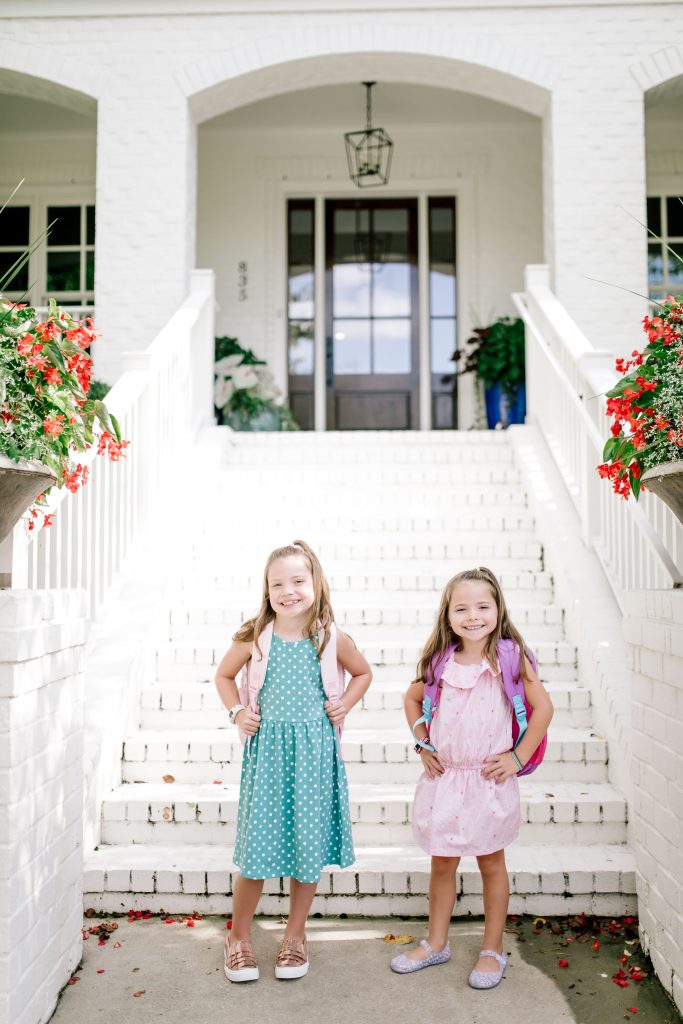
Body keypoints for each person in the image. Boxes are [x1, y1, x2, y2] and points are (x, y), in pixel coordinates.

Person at [215, 540, 372, 983]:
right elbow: (224, 676)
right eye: (277, 583)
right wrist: (237, 713)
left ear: (316, 584)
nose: (289, 591)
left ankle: (295, 935)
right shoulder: (254, 636)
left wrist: (345, 704)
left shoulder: (329, 638)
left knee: (307, 850)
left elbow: (363, 672)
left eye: (298, 581)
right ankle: (239, 937)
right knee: (255, 852)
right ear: (266, 591)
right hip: (268, 756)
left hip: (315, 757)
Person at [390, 566, 554, 989]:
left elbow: (544, 708)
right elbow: (411, 699)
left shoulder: (510, 657)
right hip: (445, 779)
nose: (473, 615)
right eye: (461, 608)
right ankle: (437, 942)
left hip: (489, 780)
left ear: (498, 608)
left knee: (491, 862)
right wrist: (422, 742)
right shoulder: (439, 660)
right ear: (448, 616)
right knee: (442, 861)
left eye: (483, 606)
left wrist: (517, 758)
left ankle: (492, 949)